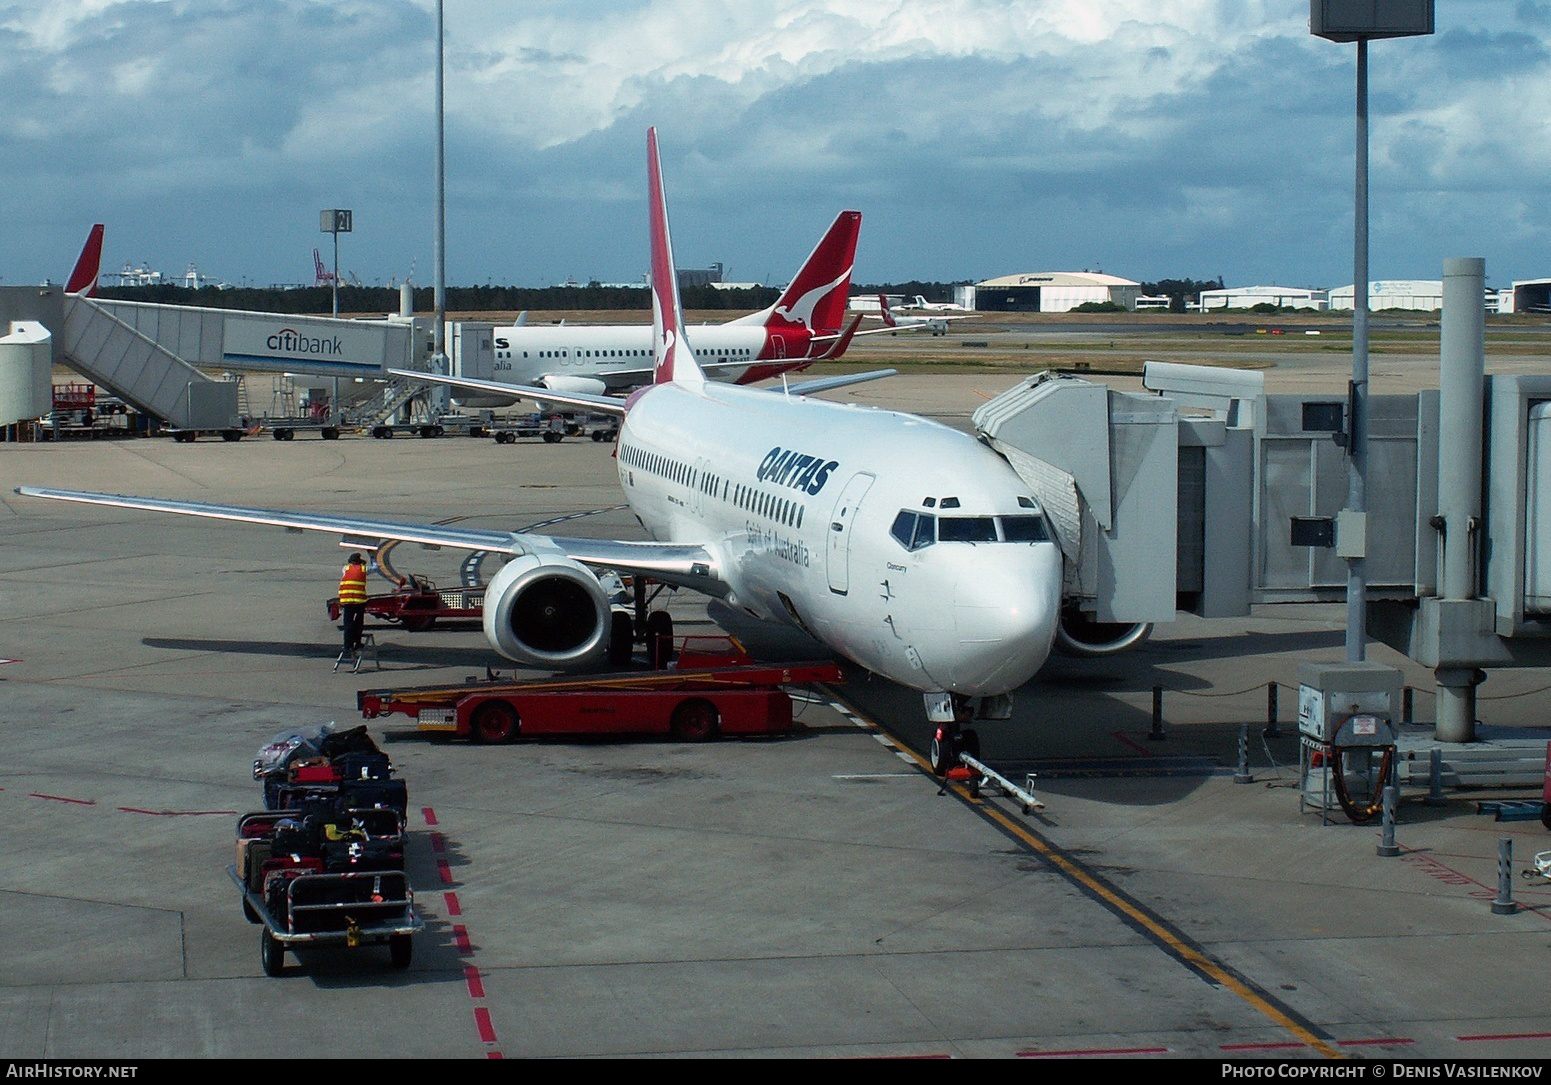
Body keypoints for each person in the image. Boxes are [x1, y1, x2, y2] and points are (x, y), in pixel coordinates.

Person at [338, 553, 369, 657]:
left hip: (347, 600)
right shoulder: (363, 569)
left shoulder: (345, 569)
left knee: (348, 624)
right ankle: (358, 643)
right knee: (359, 622)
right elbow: (376, 567)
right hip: (359, 600)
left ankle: (347, 645)